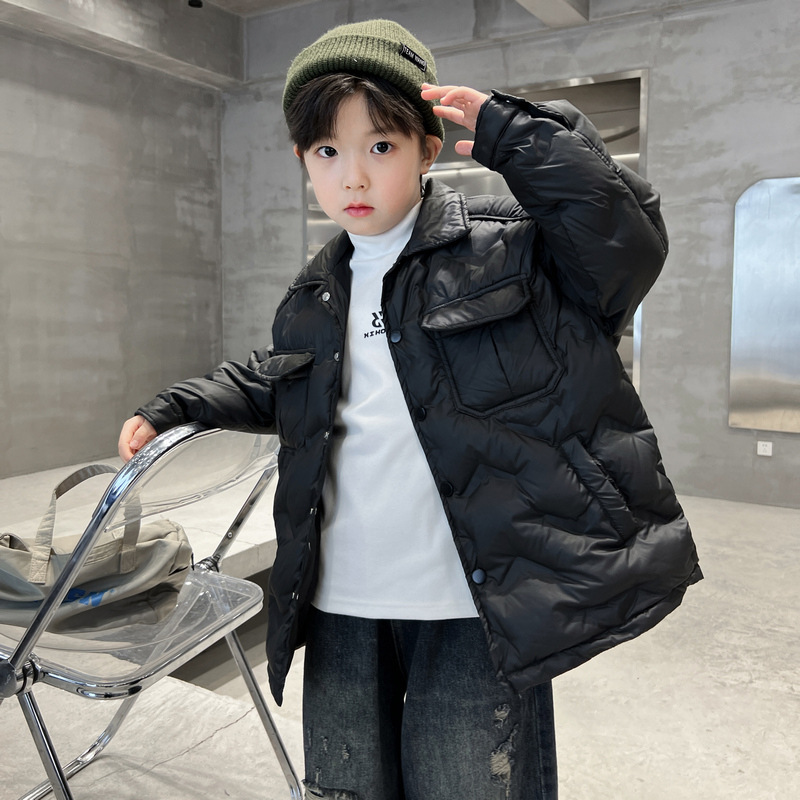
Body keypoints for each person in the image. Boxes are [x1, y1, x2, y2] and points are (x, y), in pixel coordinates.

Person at [119, 19, 702, 800]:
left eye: (381, 146)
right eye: (328, 152)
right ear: (303, 160)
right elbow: (284, 380)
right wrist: (178, 405)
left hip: (469, 605)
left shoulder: (511, 253)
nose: (352, 177)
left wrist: (517, 135)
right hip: (339, 605)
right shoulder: (312, 295)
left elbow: (625, 242)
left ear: (429, 149)